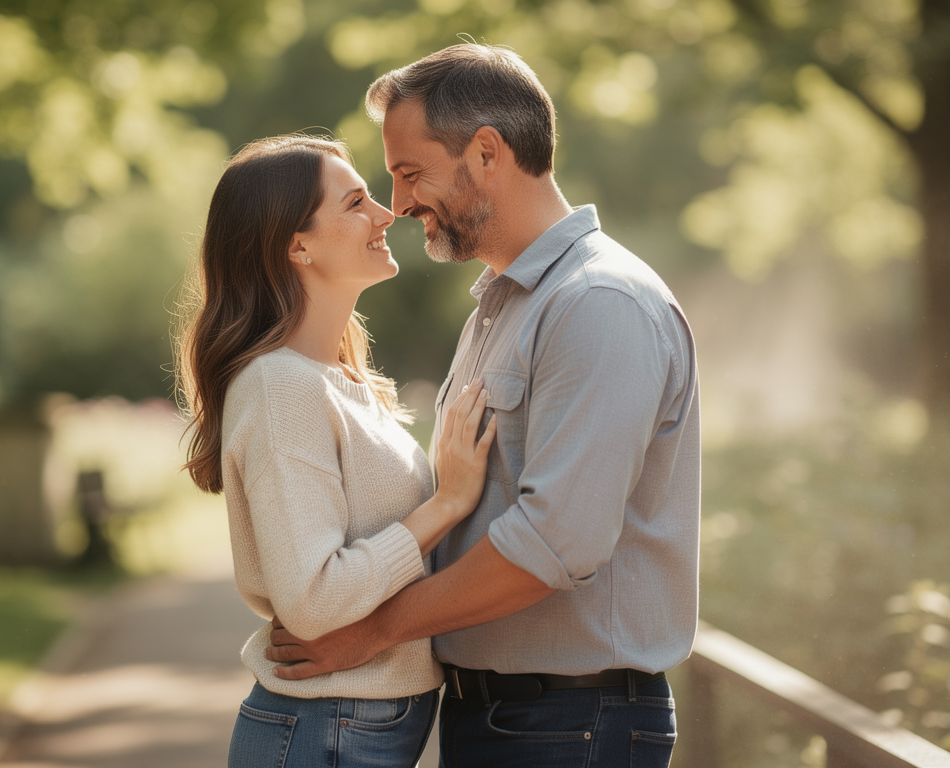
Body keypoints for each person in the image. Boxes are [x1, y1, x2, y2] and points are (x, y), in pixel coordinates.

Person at [265, 44, 701, 768]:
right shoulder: (506, 308)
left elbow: (555, 541)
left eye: (409, 173)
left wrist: (371, 631)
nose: (398, 204)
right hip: (515, 717)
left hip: (570, 721)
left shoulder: (597, 303)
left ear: (487, 152)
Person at [175, 134, 499, 768]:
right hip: (326, 728)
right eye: (356, 203)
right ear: (296, 245)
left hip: (353, 728)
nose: (387, 214)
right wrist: (448, 503)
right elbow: (314, 600)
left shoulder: (343, 379)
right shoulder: (280, 386)